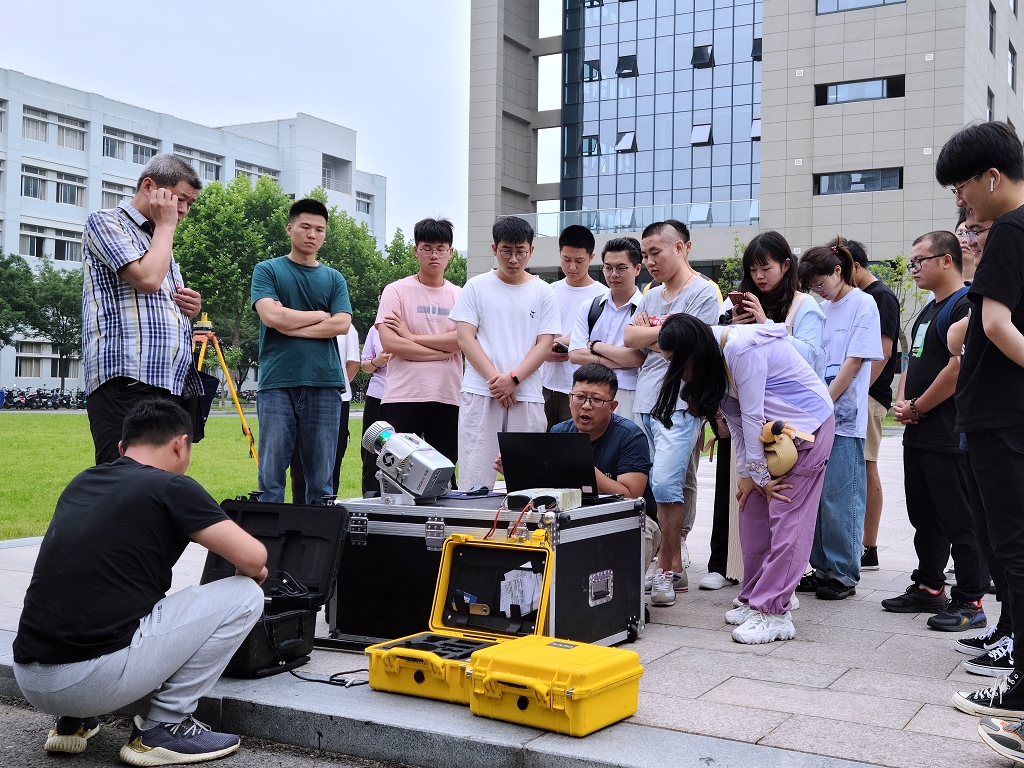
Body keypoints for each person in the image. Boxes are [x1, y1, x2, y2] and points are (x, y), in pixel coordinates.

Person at [13, 400, 267, 763]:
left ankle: (73, 721)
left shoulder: (84, 480)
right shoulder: (172, 486)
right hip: (89, 680)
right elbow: (255, 558)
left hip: (29, 678)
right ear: (180, 444)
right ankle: (166, 726)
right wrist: (254, 573)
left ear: (122, 448)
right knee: (244, 594)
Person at [653, 315, 835, 643]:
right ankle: (754, 598)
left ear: (693, 353)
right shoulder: (712, 355)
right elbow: (736, 423)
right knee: (750, 509)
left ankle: (774, 612)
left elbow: (751, 415)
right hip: (772, 438)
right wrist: (749, 476)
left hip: (806, 430)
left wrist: (760, 475)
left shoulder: (740, 349)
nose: (678, 373)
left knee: (788, 518)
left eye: (677, 363)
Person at [937, 122, 1024, 726]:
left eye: (962, 186)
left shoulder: (1012, 229)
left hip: (1000, 416)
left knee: (1013, 548)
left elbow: (993, 325)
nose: (961, 202)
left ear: (991, 176)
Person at [708, 231, 826, 591]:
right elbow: (722, 352)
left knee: (784, 505)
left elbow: (811, 358)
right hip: (747, 416)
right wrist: (735, 328)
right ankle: (744, 578)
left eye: (766, 268)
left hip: (792, 423)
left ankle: (780, 590)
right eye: (753, 270)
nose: (759, 276)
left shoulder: (805, 306)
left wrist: (765, 328)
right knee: (747, 501)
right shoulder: (741, 304)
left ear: (786, 266)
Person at [884, 231, 989, 633]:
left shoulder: (965, 304)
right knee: (924, 515)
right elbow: (913, 360)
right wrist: (903, 402)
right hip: (919, 432)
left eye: (919, 261)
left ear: (947, 260)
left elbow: (956, 368)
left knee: (961, 520)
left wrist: (918, 406)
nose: (913, 269)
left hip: (947, 433)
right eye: (911, 262)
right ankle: (929, 586)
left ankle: (971, 600)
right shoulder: (928, 309)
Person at [82, 155, 204, 465]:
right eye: (181, 199)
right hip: (127, 378)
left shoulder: (159, 239)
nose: (184, 210)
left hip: (170, 381)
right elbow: (147, 279)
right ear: (149, 187)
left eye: (190, 204)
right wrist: (166, 226)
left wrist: (189, 308)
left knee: (165, 478)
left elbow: (157, 296)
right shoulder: (106, 221)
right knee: (123, 476)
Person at [624, 220, 720, 606]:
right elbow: (629, 338)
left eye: (655, 252)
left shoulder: (703, 292)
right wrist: (666, 333)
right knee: (653, 485)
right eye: (645, 255)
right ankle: (667, 564)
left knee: (666, 483)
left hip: (680, 401)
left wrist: (653, 334)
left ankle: (669, 566)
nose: (648, 261)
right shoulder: (650, 295)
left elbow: (694, 345)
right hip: (646, 400)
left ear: (680, 247)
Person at [947, 210, 1015, 677]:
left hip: (1002, 419)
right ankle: (1007, 627)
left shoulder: (1009, 251)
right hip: (979, 422)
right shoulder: (981, 284)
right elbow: (958, 339)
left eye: (975, 229)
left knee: (1009, 541)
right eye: (964, 231)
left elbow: (973, 334)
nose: (968, 239)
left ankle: (1014, 639)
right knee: (995, 537)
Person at [796, 238, 882, 601]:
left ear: (837, 270)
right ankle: (822, 568)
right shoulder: (820, 309)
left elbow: (854, 362)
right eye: (812, 287)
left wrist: (823, 403)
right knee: (817, 497)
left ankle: (844, 571)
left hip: (844, 419)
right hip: (815, 416)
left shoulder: (863, 304)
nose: (818, 291)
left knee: (841, 496)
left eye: (820, 283)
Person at [250, 198, 352, 504]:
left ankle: (319, 534)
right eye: (305, 227)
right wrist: (320, 315)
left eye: (319, 229)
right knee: (270, 479)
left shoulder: (334, 278)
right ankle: (269, 532)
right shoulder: (267, 270)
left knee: (321, 483)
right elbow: (272, 316)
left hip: (324, 381)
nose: (312, 234)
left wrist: (289, 324)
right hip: (278, 382)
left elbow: (342, 324)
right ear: (290, 228)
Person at [451, 216, 560, 490]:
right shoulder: (476, 286)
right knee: (475, 477)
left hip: (526, 392)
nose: (513, 259)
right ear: (494, 249)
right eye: (506, 251)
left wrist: (514, 379)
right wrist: (497, 382)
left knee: (529, 479)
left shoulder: (544, 292)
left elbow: (544, 343)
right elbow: (465, 337)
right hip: (481, 390)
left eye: (520, 252)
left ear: (531, 250)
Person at [376, 218, 463, 468]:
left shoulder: (461, 295)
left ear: (450, 252)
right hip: (403, 394)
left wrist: (412, 337)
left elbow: (460, 340)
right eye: (427, 248)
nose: (434, 255)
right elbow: (390, 343)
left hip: (447, 395)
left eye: (440, 249)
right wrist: (440, 353)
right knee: (397, 471)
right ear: (416, 250)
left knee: (445, 471)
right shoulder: (396, 290)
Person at [845, 239, 900, 572]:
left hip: (868, 395)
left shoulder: (881, 297)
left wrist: (857, 391)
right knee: (856, 466)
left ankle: (870, 546)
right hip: (854, 394)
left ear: (855, 267)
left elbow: (883, 351)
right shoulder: (859, 297)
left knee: (866, 465)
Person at [568, 237, 647, 422]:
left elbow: (637, 358)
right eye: (608, 268)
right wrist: (623, 358)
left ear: (637, 269)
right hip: (591, 392)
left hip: (629, 393)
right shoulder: (590, 307)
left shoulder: (645, 309)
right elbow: (575, 355)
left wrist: (596, 346)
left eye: (621, 268)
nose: (614, 274)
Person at [541, 225, 609, 430]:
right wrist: (544, 351)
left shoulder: (602, 295)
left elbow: (600, 339)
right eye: (566, 259)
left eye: (579, 261)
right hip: (545, 384)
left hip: (581, 390)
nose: (572, 267)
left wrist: (556, 343)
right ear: (559, 253)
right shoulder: (549, 291)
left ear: (591, 257)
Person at [288, 326, 360, 504]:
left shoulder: (346, 327)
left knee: (329, 461)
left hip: (336, 398)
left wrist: (335, 386)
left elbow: (353, 363)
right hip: (299, 394)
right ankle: (298, 508)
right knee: (298, 461)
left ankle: (326, 510)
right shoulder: (299, 321)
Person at [360, 324, 390, 495]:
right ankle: (370, 496)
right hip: (378, 395)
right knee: (372, 453)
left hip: (406, 396)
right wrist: (377, 362)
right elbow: (365, 366)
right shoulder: (375, 330)